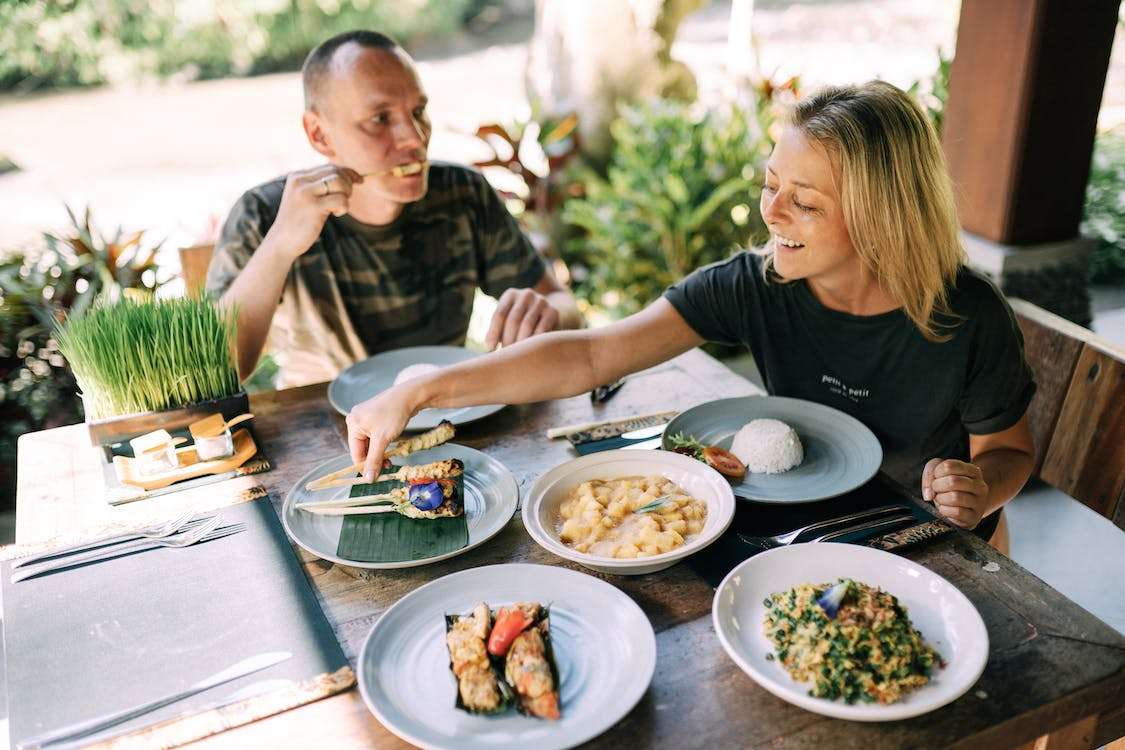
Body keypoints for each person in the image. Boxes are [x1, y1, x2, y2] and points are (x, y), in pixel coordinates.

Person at [344, 81, 1037, 545]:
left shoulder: (966, 317)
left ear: (881, 217)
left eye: (805, 201)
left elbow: (1009, 453)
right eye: (770, 185)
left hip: (932, 539)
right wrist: (420, 392)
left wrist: (978, 490)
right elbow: (591, 355)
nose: (771, 213)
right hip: (807, 521)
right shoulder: (754, 283)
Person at [206, 30, 583, 387]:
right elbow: (220, 367)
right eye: (381, 119)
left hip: (452, 406)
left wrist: (545, 313)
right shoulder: (265, 214)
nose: (415, 138)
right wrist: (280, 245)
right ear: (320, 135)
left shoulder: (460, 192)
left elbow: (566, 308)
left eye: (418, 111)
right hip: (325, 426)